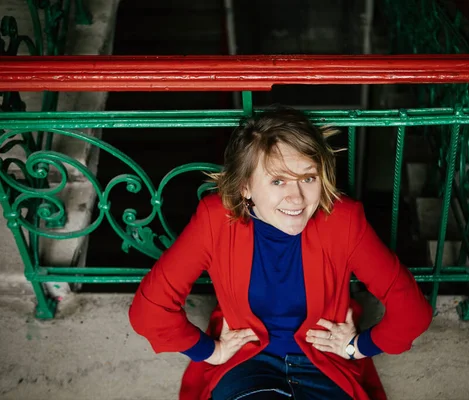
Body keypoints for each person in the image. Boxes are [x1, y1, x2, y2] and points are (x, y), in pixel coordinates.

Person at [129, 106, 433, 400]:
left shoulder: (343, 221)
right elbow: (150, 311)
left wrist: (358, 347)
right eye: (277, 180)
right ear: (246, 186)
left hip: (323, 367)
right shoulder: (216, 219)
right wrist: (210, 351)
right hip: (248, 365)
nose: (297, 198)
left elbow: (412, 311)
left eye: (308, 178)